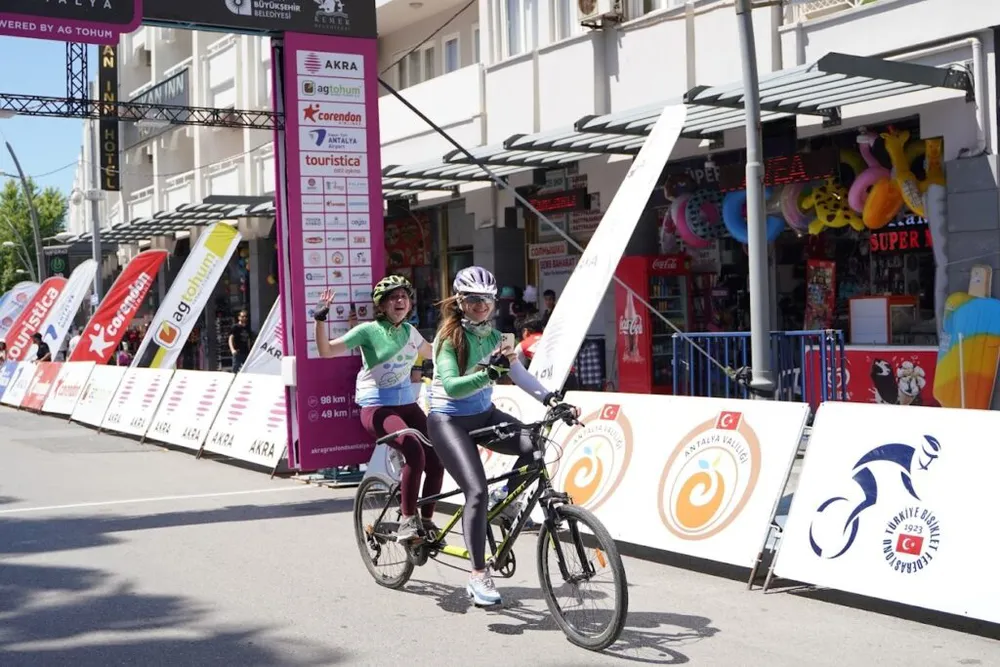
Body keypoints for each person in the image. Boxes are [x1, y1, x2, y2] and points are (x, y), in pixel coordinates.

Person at [427, 266, 574, 607]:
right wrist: (488, 374)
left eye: (488, 300)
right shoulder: (448, 338)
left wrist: (552, 399)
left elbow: (519, 373)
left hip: (484, 415)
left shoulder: (501, 338)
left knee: (534, 444)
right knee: (476, 491)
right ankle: (478, 575)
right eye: (474, 300)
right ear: (460, 301)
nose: (482, 306)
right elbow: (452, 386)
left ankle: (505, 500)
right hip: (448, 421)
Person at [314, 275, 444, 542]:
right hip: (377, 407)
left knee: (436, 459)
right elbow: (326, 351)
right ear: (382, 305)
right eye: (393, 298)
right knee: (414, 450)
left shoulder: (410, 332)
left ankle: (427, 521)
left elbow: (434, 353)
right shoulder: (367, 331)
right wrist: (320, 319)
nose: (400, 301)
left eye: (404, 297)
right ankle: (408, 520)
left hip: (407, 405)